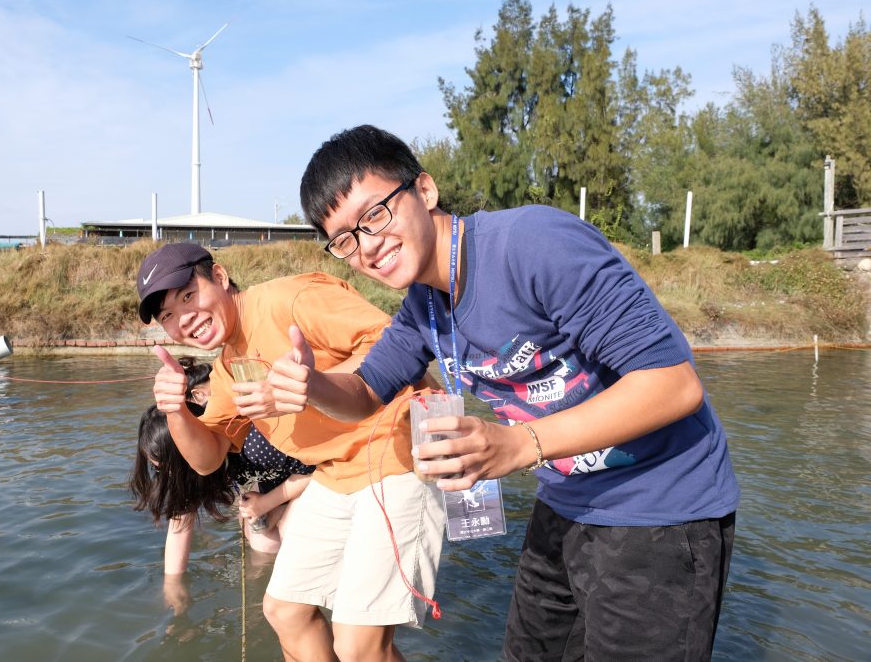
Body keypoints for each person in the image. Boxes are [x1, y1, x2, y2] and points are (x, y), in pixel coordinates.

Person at [265, 124, 740, 661]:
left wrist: (517, 445)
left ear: (424, 190)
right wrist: (313, 385)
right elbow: (365, 392)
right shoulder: (424, 306)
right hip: (565, 503)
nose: (367, 246)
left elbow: (673, 384)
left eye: (375, 214)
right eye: (345, 240)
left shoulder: (533, 244)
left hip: (661, 507)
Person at [135, 242, 445, 662]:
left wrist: (309, 384)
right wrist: (175, 410)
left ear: (221, 278)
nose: (184, 319)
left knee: (359, 645)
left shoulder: (289, 300)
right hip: (336, 474)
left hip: (398, 453)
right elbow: (207, 459)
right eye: (168, 316)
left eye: (189, 296)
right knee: (285, 611)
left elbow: (395, 343)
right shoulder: (228, 364)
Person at [130, 356, 314, 577]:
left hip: (315, 477)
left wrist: (267, 503)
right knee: (263, 542)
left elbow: (318, 470)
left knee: (290, 532)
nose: (166, 476)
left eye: (169, 469)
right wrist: (173, 588)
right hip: (277, 488)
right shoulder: (191, 471)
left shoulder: (253, 441)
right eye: (158, 469)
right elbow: (179, 527)